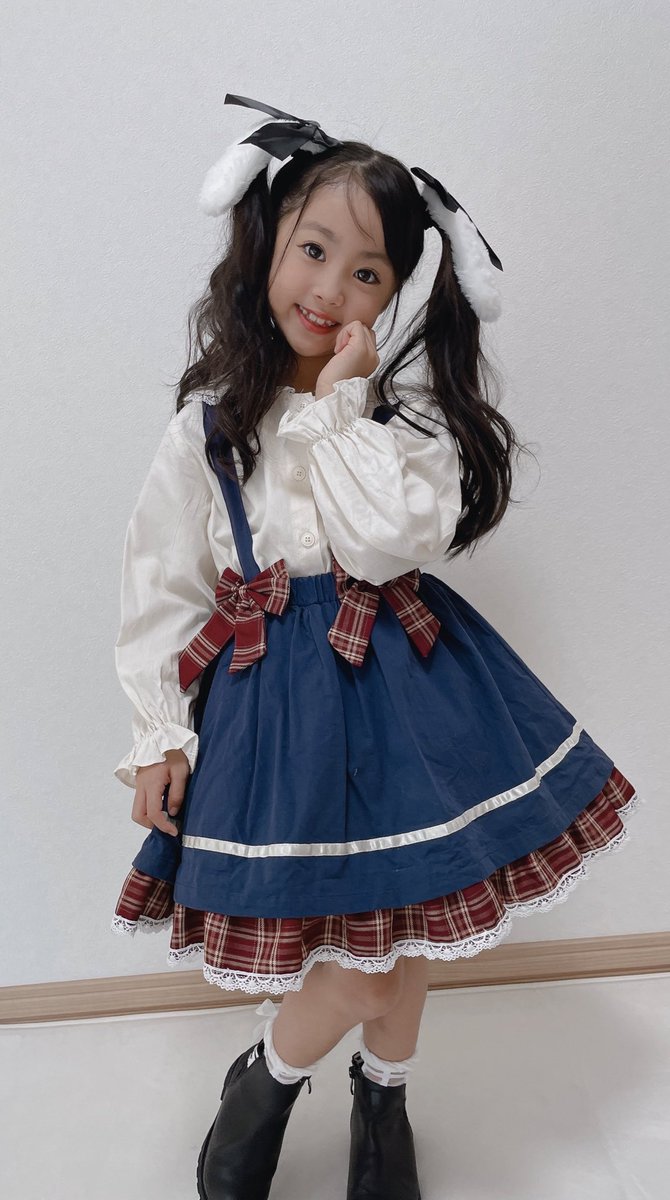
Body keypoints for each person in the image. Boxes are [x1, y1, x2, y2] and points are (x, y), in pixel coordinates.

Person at [109, 94, 640, 1200]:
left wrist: (344, 406)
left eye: (367, 273)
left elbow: (386, 542)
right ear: (268, 244)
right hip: (277, 705)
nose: (331, 289)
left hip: (403, 686)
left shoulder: (401, 423)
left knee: (403, 934)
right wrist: (159, 732)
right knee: (360, 968)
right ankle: (267, 1081)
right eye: (313, 251)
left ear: (394, 294)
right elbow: (162, 583)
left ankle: (380, 1099)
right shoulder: (208, 427)